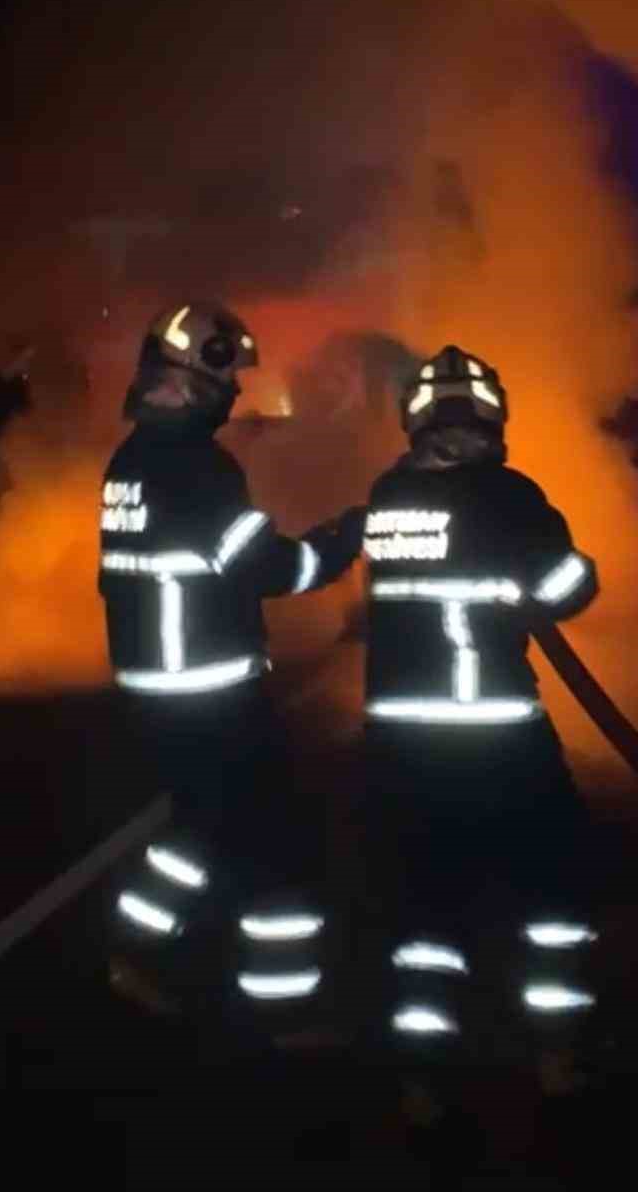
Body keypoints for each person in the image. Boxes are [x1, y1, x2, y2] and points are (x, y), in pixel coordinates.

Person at [100, 300, 362, 1020]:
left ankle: (133, 953)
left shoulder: (133, 458)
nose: (237, 393)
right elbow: (268, 568)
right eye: (227, 377)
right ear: (191, 376)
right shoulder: (196, 467)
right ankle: (281, 1012)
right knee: (275, 845)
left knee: (199, 830)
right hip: (208, 692)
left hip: (158, 689)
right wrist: (343, 541)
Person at [358, 344, 600, 1084]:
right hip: (499, 734)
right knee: (552, 891)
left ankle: (421, 1074)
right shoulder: (511, 496)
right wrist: (571, 568)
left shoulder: (386, 498)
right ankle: (557, 1052)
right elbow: (565, 588)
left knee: (424, 908)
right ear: (494, 419)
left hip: (400, 743)